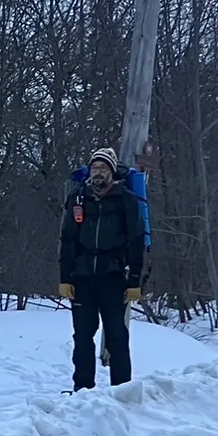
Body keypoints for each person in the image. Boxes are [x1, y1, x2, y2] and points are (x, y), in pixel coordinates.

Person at [58, 147, 145, 390]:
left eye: (103, 168)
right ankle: (82, 390)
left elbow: (136, 240)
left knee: (117, 335)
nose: (98, 172)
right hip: (82, 278)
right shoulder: (77, 198)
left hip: (114, 276)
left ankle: (122, 390)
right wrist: (65, 278)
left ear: (112, 171)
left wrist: (135, 281)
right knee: (82, 337)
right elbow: (67, 239)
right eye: (95, 167)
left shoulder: (126, 199)